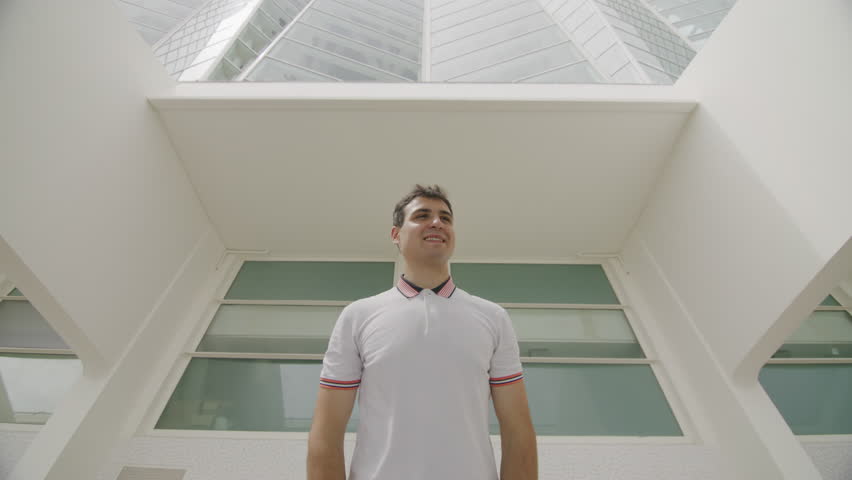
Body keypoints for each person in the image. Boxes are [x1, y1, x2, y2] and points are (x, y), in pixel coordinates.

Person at [307, 185, 537, 480]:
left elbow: (518, 431)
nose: (437, 222)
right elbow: (326, 432)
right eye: (422, 215)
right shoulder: (358, 316)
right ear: (396, 235)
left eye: (446, 218)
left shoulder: (493, 317)